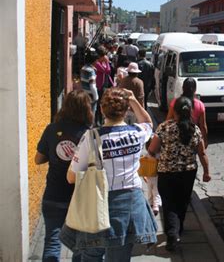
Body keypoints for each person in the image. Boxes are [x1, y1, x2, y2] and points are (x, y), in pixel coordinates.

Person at [61, 88, 158, 262]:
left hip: (99, 204)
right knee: (120, 257)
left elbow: (71, 177)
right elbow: (148, 122)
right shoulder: (136, 133)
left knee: (92, 254)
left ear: (102, 110)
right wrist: (133, 99)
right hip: (131, 204)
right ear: (126, 109)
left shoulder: (91, 137)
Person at [35, 90, 93, 262]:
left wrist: (53, 154)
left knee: (52, 241)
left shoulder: (52, 129)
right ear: (87, 109)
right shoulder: (89, 134)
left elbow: (38, 159)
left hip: (53, 194)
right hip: (79, 198)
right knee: (80, 245)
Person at [147, 96, 211, 252]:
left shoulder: (164, 128)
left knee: (169, 204)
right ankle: (178, 230)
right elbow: (202, 153)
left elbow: (152, 150)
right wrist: (206, 172)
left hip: (167, 172)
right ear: (190, 112)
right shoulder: (194, 129)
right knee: (182, 202)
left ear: (174, 112)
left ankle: (172, 235)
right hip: (188, 172)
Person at [165, 78, 208, 147]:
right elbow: (203, 126)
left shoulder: (175, 102)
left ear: (182, 88)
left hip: (176, 135)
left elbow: (168, 120)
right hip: (192, 136)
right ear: (195, 89)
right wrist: (205, 140)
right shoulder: (200, 105)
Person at [94, 46, 113, 126]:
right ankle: (97, 121)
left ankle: (101, 120)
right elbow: (106, 70)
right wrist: (107, 62)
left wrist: (106, 62)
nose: (104, 57)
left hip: (105, 85)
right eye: (103, 56)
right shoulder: (96, 63)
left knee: (103, 102)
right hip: (99, 86)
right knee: (98, 104)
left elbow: (108, 71)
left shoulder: (103, 62)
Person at [80, 50, 99, 117]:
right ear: (94, 60)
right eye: (97, 60)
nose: (97, 62)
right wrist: (96, 97)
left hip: (84, 94)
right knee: (91, 116)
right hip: (91, 96)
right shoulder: (91, 71)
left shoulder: (83, 68)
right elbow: (92, 86)